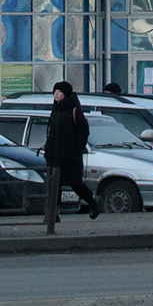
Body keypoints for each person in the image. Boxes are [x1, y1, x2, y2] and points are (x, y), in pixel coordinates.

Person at [44, 81, 99, 219]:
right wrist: (48, 150)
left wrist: (76, 150)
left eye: (59, 91)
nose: (56, 94)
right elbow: (52, 132)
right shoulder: (55, 110)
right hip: (54, 155)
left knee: (76, 184)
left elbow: (84, 131)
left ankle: (93, 203)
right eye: (55, 91)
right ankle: (53, 215)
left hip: (70, 157)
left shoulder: (75, 111)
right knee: (54, 185)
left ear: (66, 94)